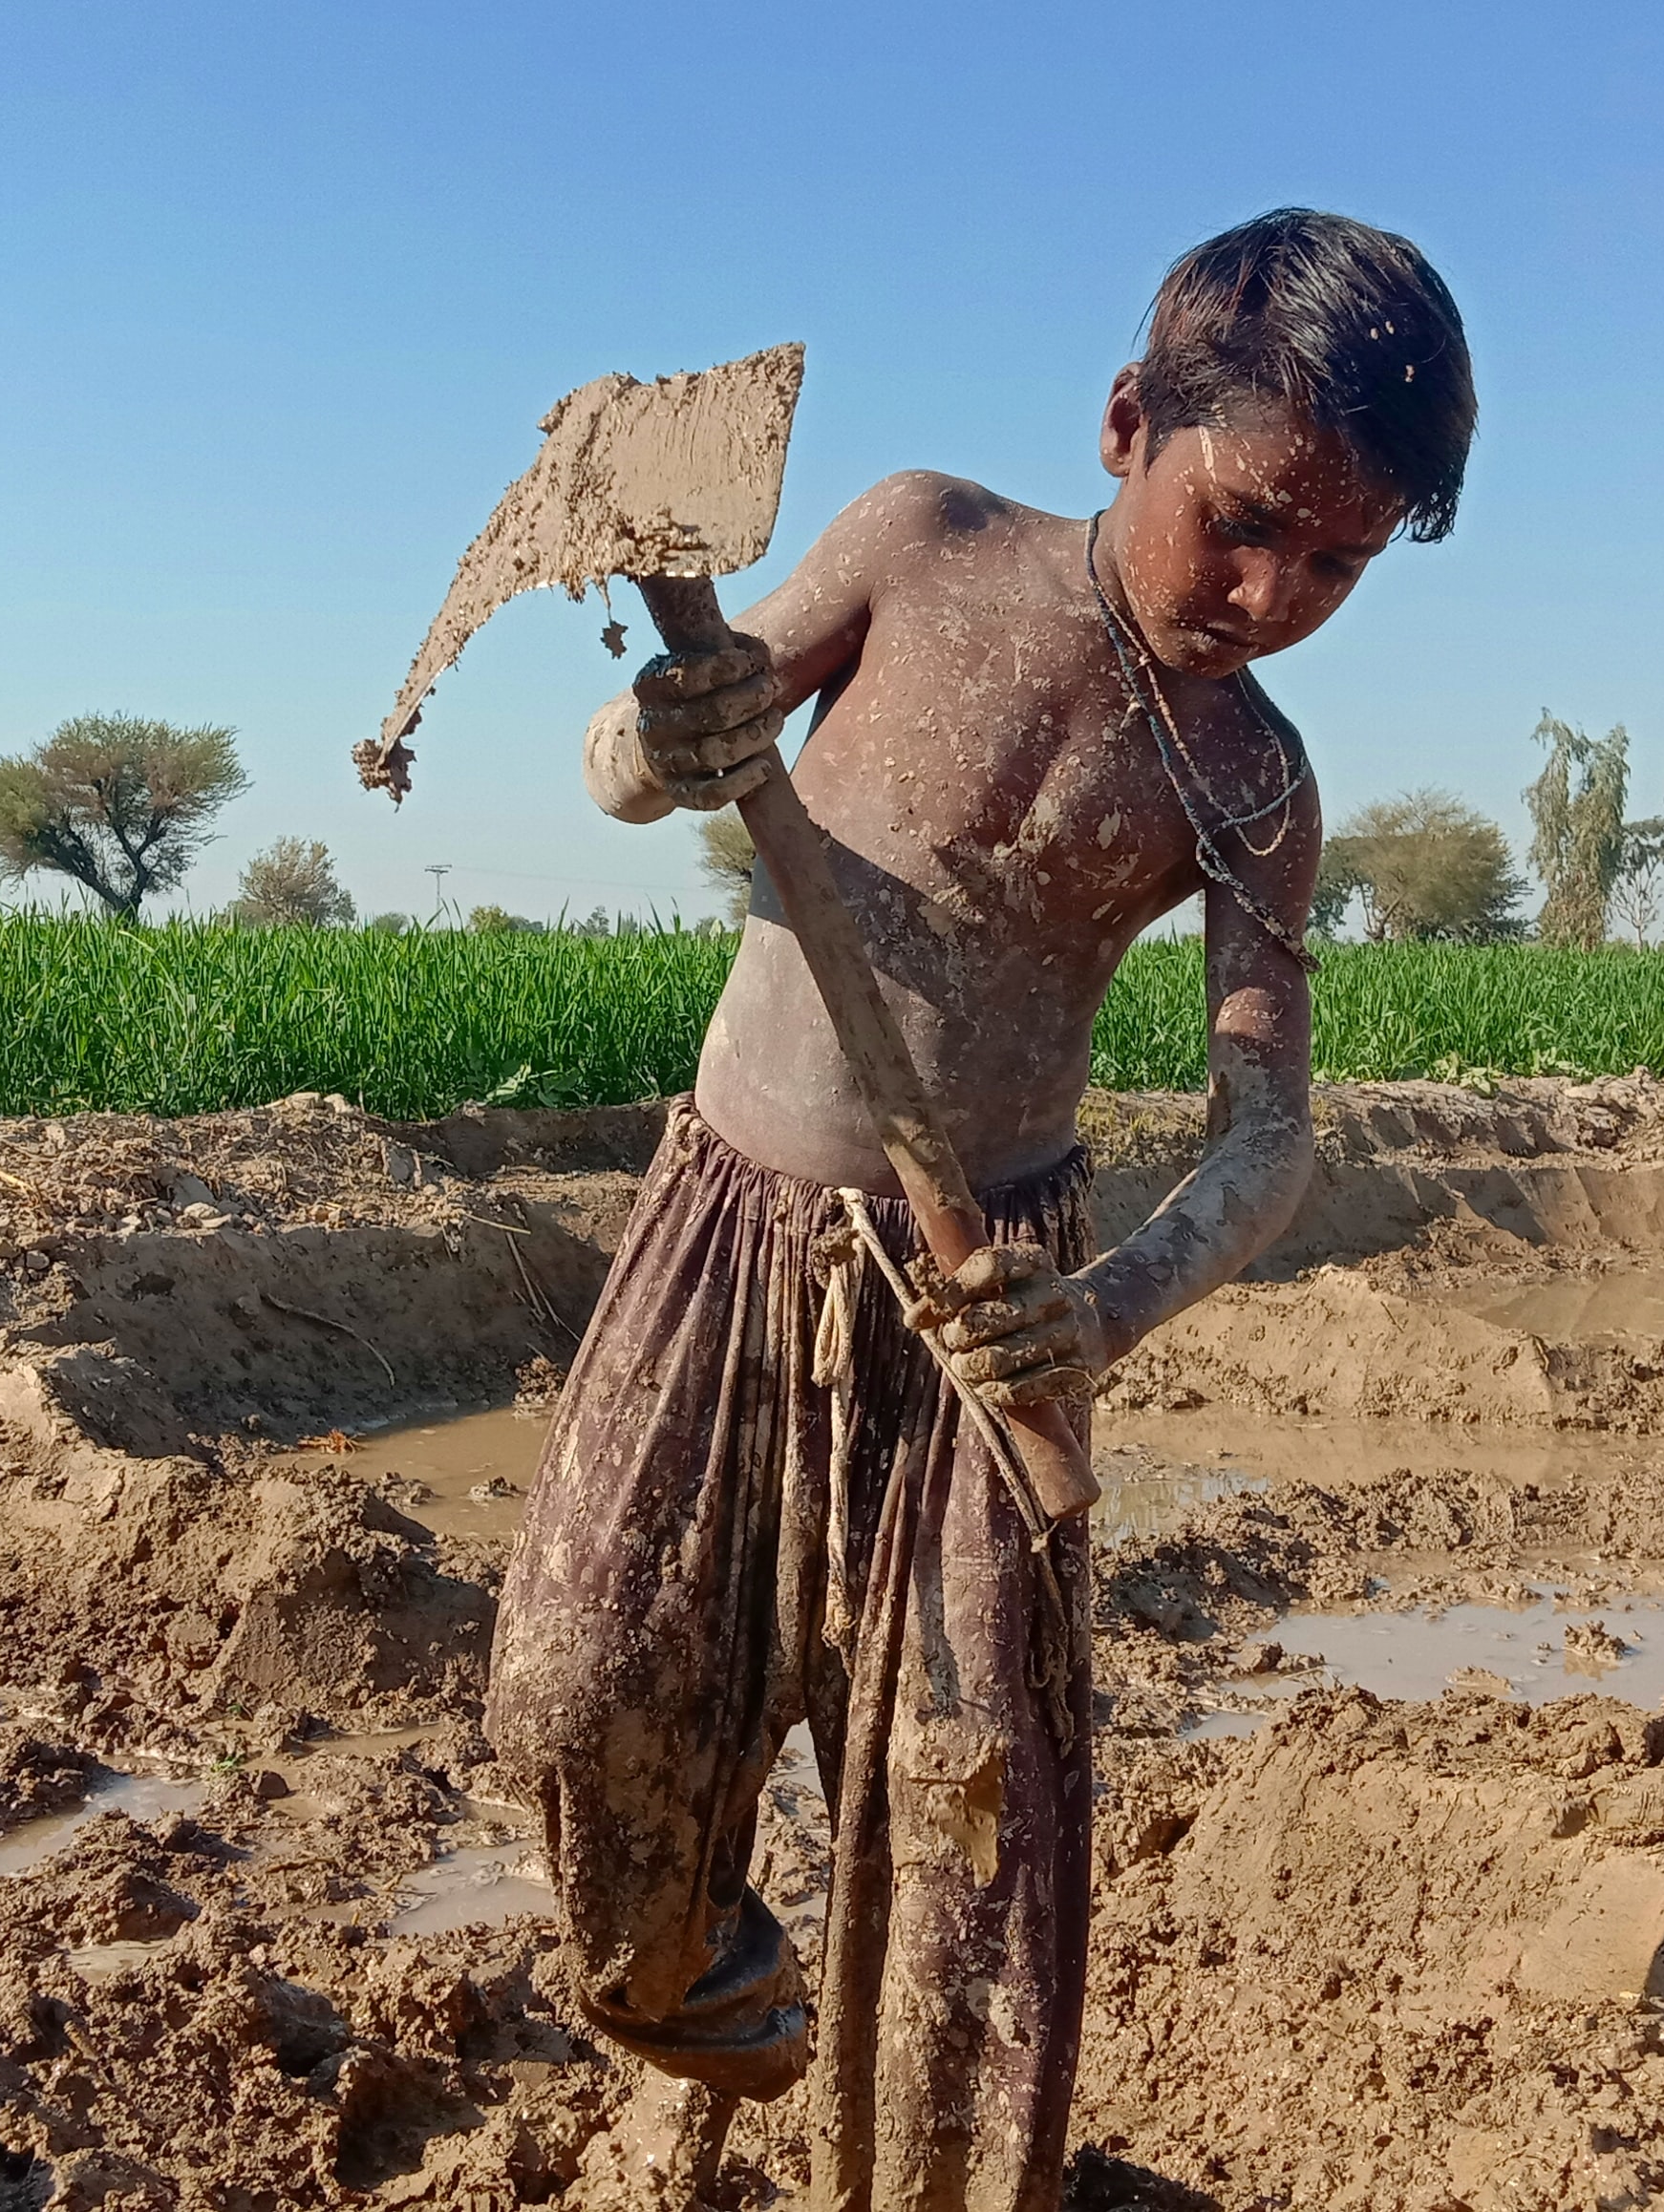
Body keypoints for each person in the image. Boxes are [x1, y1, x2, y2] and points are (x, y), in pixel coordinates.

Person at [488, 208, 1476, 2209]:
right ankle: (701, 1988)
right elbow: (658, 745)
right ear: (1131, 422)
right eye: (1250, 517)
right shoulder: (926, 545)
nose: (1275, 591)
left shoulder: (1253, 785)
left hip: (988, 1300)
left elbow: (1264, 1130)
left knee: (968, 1831)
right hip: (729, 1221)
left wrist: (1106, 1311)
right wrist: (645, 744)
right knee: (583, 1681)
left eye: (1342, 563)